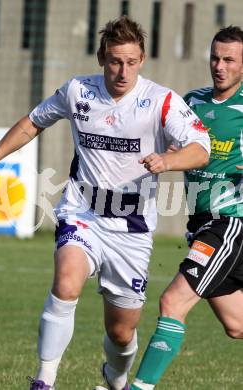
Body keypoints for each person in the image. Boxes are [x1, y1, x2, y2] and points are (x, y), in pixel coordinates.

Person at [0, 16, 210, 390]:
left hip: (132, 227)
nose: (122, 71)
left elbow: (200, 149)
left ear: (141, 60)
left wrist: (168, 161)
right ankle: (44, 380)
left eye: (130, 62)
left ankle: (116, 377)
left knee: (122, 332)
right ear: (101, 58)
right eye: (114, 61)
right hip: (82, 212)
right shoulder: (78, 91)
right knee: (66, 280)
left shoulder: (162, 101)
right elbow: (33, 122)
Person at [131, 25, 243, 390]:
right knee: (236, 325)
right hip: (201, 223)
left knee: (172, 302)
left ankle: (138, 388)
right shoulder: (192, 101)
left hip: (230, 224)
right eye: (215, 57)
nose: (220, 66)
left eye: (229, 59)